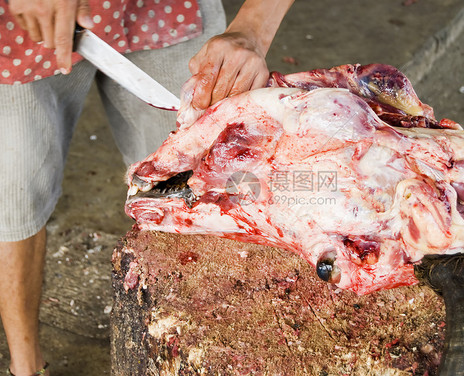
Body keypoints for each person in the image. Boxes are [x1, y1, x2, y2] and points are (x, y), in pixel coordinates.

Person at [0, 0, 294, 374]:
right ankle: (26, 365)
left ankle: (189, 350)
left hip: (165, 11)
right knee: (14, 201)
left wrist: (252, 27)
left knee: (201, 192)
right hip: (20, 30)